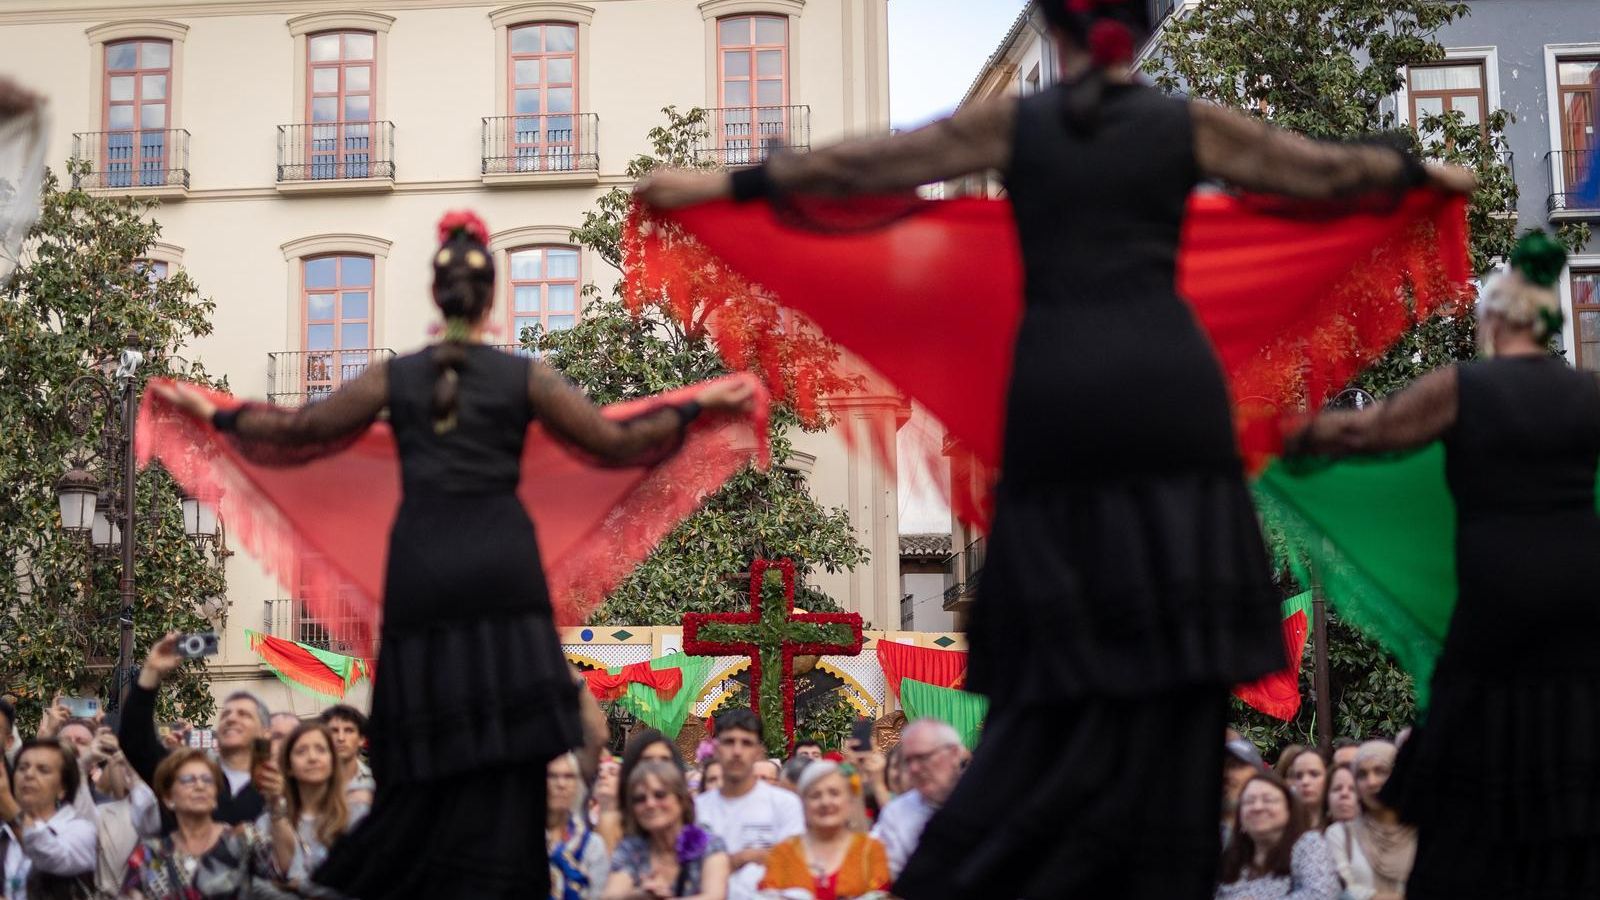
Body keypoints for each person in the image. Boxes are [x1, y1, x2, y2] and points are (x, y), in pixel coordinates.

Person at [637, 0, 1472, 892]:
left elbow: (868, 166)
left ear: (1053, 31)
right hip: (1168, 401)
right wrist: (1420, 170)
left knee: (1046, 698)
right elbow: (1325, 172)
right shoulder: (1182, 125)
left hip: (1062, 399)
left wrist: (728, 186)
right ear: (1143, 30)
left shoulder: (1022, 124)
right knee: (1174, 683)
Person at [154, 211, 750, 900]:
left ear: (437, 299)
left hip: (423, 566)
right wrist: (698, 404)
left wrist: (212, 413)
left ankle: (391, 871)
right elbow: (612, 444)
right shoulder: (523, 376)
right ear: (491, 298)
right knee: (511, 739)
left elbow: (303, 433)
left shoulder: (397, 377)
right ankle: (502, 872)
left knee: (423, 741)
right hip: (502, 562)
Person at [1285, 231, 1600, 897]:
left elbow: (1364, 433)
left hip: (1498, 587)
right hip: (1581, 587)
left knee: (1476, 737)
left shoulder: (1464, 388)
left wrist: (1277, 436)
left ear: (1491, 319)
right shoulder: (1588, 394)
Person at [118, 639, 271, 826]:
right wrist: (152, 671)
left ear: (265, 732)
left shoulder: (276, 786)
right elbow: (135, 742)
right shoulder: (184, 775)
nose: (232, 719)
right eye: (226, 714)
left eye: (244, 714)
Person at [119, 748, 273, 899]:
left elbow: (285, 884)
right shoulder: (150, 855)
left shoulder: (245, 840)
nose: (200, 786)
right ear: (168, 798)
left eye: (207, 780)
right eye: (188, 780)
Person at [692, 710, 802, 899]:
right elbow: (690, 871)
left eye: (746, 743)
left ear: (758, 752)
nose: (737, 751)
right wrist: (740, 859)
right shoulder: (696, 809)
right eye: (729, 742)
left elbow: (795, 872)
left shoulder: (785, 804)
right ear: (716, 750)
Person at [256, 722, 364, 890]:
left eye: (321, 750)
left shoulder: (357, 815)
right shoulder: (266, 822)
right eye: (301, 751)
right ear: (289, 766)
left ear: (333, 761)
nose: (312, 758)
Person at [760, 761, 890, 898]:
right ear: (803, 804)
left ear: (849, 800)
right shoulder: (783, 853)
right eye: (815, 795)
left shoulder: (870, 851)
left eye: (834, 793)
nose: (825, 802)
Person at [601, 761, 729, 900]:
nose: (650, 804)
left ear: (681, 800)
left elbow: (715, 896)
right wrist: (641, 895)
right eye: (640, 799)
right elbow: (610, 896)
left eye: (660, 795)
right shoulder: (632, 848)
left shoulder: (708, 843)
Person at [1215, 774, 1341, 899]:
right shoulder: (1229, 857)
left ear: (1289, 810)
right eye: (1249, 801)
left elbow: (1322, 894)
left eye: (1268, 800)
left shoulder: (1308, 844)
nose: (1257, 807)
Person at [0, 738, 96, 899]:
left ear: (63, 788)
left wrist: (13, 813)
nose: (29, 774)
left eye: (43, 770)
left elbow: (53, 857)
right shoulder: (3, 833)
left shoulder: (80, 830)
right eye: (22, 768)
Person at [868, 720, 961, 881]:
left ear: (953, 754)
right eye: (909, 761)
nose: (914, 769)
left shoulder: (987, 797)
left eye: (923, 757)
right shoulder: (896, 813)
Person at [1324, 742, 1415, 900]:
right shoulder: (1341, 834)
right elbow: (1342, 891)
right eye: (1362, 775)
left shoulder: (1425, 831)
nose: (1371, 782)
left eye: (1380, 771)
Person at [91, 734, 162, 898]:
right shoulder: (100, 813)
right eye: (123, 764)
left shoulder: (172, 816)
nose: (131, 769)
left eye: (139, 763)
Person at [599, 730, 688, 851]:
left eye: (665, 760)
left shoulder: (697, 827)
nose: (657, 767)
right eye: (647, 760)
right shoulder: (612, 821)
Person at [549, 752, 609, 900]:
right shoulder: (520, 839)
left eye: (569, 776)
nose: (561, 784)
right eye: (552, 776)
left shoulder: (592, 845)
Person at [317, 705, 374, 805]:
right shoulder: (308, 782)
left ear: (361, 739)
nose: (341, 738)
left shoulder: (376, 783)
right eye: (334, 731)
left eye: (349, 730)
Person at [1276, 746, 1330, 830]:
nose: (1305, 782)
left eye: (1314, 774)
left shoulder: (1340, 826)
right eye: (1298, 776)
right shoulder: (1277, 828)